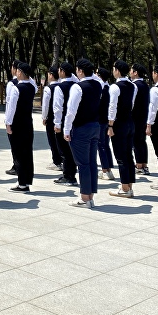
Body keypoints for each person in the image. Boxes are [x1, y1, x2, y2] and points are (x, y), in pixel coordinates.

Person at [63, 58, 102, 208]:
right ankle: (90, 195)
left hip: (81, 128)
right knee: (92, 162)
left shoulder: (78, 87)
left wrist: (66, 129)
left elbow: (71, 111)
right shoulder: (98, 85)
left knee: (83, 164)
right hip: (95, 126)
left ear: (79, 71)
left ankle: (85, 198)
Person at [107, 59, 138, 198]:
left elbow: (112, 107)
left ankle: (125, 188)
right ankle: (129, 185)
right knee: (128, 155)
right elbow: (131, 104)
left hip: (119, 123)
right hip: (130, 121)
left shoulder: (115, 87)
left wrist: (110, 125)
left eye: (114, 68)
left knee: (120, 156)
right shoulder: (133, 86)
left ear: (117, 70)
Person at [5, 62, 36, 193]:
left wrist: (8, 123)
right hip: (28, 122)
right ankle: (27, 180)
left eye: (18, 71)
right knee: (27, 152)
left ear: (21, 73)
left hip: (17, 123)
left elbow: (11, 108)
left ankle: (22, 183)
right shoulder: (32, 87)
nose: (16, 72)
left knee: (18, 153)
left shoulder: (16, 88)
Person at [53, 62, 79, 187]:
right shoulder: (77, 85)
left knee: (64, 150)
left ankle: (68, 176)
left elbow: (57, 108)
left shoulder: (59, 87)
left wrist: (57, 124)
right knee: (71, 149)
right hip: (74, 121)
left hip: (63, 121)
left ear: (62, 72)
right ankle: (71, 173)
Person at [42, 66, 63, 171]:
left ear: (51, 75)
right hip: (61, 117)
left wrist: (44, 117)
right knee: (60, 140)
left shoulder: (48, 88)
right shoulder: (61, 86)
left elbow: (45, 105)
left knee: (52, 140)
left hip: (51, 117)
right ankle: (63, 159)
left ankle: (57, 161)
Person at [130, 63, 150, 175]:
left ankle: (139, 165)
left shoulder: (135, 85)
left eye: (131, 70)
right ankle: (143, 164)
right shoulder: (145, 85)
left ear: (135, 72)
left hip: (135, 116)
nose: (130, 72)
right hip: (143, 116)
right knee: (141, 141)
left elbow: (132, 102)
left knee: (136, 141)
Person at [96, 67, 115, 181]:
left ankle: (105, 169)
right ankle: (108, 170)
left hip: (101, 120)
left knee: (101, 145)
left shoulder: (101, 88)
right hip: (107, 120)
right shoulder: (109, 87)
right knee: (106, 145)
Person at [4, 59, 21, 175]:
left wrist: (7, 121)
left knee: (15, 145)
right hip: (24, 118)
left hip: (14, 119)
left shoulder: (12, 84)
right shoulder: (30, 84)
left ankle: (16, 166)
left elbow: (9, 103)